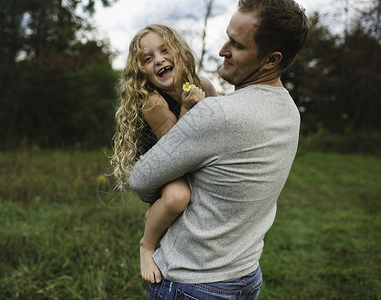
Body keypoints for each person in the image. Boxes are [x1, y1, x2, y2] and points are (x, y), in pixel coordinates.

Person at [129, 0, 309, 299]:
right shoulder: (290, 111)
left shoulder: (218, 114)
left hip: (191, 281)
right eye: (227, 36)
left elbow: (141, 180)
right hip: (245, 274)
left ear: (270, 60)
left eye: (237, 45)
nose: (222, 49)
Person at [111, 24, 218, 284]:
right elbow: (173, 149)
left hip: (190, 156)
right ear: (142, 72)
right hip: (161, 160)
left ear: (179, 52)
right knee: (177, 196)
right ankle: (147, 245)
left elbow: (221, 121)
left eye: (164, 50)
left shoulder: (202, 83)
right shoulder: (152, 101)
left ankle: (159, 213)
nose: (158, 59)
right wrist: (187, 108)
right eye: (148, 59)